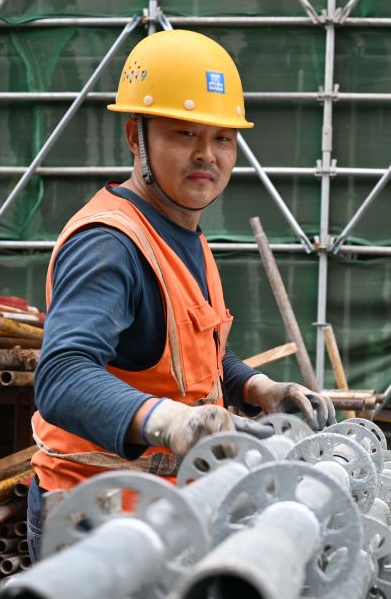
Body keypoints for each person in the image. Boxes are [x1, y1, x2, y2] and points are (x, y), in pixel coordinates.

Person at [28, 28, 333, 558]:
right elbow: (61, 376)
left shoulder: (180, 231)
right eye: (183, 133)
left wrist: (257, 389)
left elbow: (191, 354)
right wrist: (170, 422)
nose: (206, 156)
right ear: (135, 137)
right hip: (93, 522)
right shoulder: (109, 243)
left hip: (163, 510)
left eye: (221, 138)